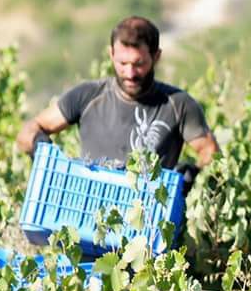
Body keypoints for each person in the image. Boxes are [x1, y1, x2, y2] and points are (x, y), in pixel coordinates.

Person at [16, 16, 218, 180]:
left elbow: (211, 153)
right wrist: (39, 144)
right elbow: (29, 131)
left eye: (139, 64)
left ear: (156, 57)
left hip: (149, 214)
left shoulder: (178, 104)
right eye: (122, 63)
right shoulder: (87, 96)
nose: (130, 73)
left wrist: (193, 173)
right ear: (111, 54)